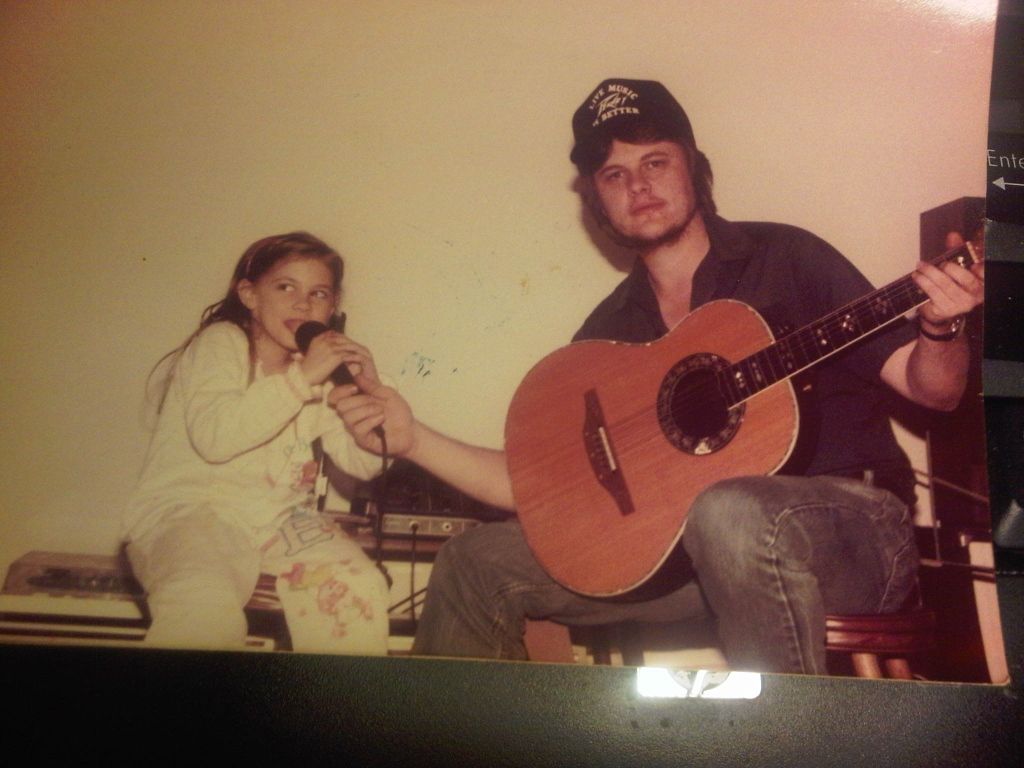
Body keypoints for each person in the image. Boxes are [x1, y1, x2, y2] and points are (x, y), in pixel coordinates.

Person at [332, 79, 985, 674]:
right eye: (614, 174)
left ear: (693, 168)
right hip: (691, 559)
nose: (637, 185)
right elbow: (539, 489)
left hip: (852, 534)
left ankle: (777, 739)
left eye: (655, 162)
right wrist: (412, 439)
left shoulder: (787, 256)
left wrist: (941, 327)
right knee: (473, 561)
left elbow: (936, 390)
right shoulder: (609, 334)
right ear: (598, 200)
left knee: (727, 511)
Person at [122, 232, 390, 654]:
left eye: (318, 294)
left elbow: (361, 464)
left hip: (277, 518)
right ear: (249, 295)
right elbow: (215, 438)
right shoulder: (223, 342)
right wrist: (302, 380)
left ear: (332, 307)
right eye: (286, 287)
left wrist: (367, 406)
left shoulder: (317, 370)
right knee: (203, 607)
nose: (303, 304)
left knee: (358, 586)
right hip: (193, 511)